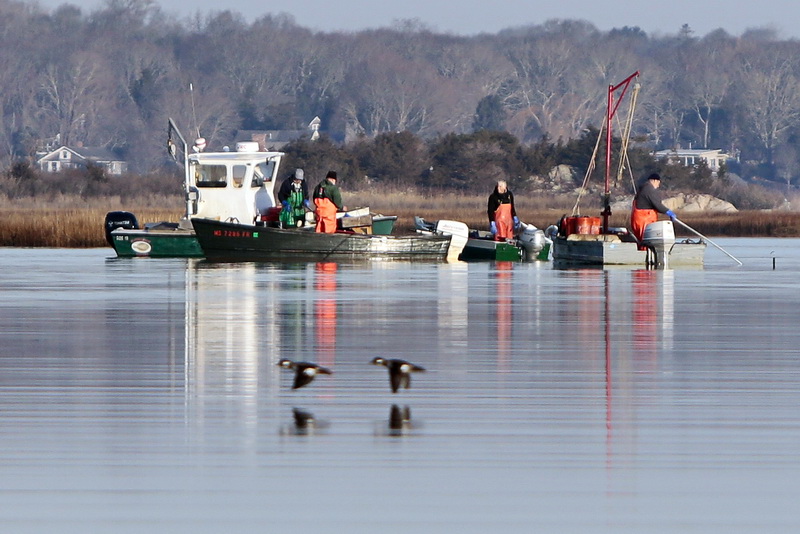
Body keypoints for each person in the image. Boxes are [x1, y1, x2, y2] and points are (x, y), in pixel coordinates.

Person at [630, 172, 676, 246]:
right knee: (645, 240)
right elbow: (658, 205)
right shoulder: (649, 190)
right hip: (644, 220)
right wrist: (668, 212)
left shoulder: (643, 188)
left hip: (639, 218)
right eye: (658, 182)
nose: (658, 185)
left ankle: (644, 253)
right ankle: (645, 254)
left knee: (642, 241)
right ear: (654, 180)